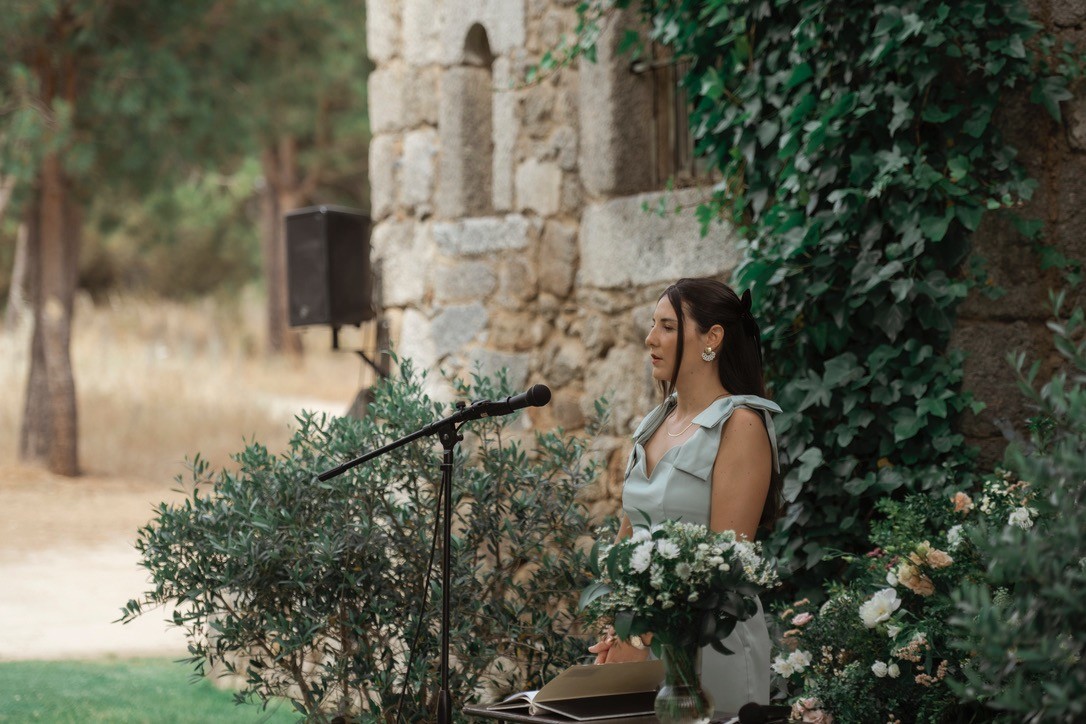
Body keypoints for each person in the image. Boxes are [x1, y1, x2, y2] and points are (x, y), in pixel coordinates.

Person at [587, 277, 782, 715]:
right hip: (644, 645)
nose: (650, 338)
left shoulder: (741, 424)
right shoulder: (653, 424)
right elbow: (627, 540)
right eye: (653, 326)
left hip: (712, 645)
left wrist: (639, 637)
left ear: (712, 338)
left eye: (668, 327)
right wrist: (617, 631)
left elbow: (725, 559)